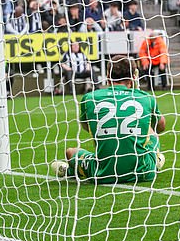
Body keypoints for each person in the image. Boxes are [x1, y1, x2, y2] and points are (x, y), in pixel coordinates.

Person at [51, 55, 166, 184]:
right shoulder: (146, 97)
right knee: (151, 129)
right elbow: (161, 126)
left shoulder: (90, 97)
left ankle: (70, 171)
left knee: (70, 152)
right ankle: (156, 160)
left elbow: (87, 127)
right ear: (134, 76)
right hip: (143, 172)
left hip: (102, 173)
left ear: (107, 76)